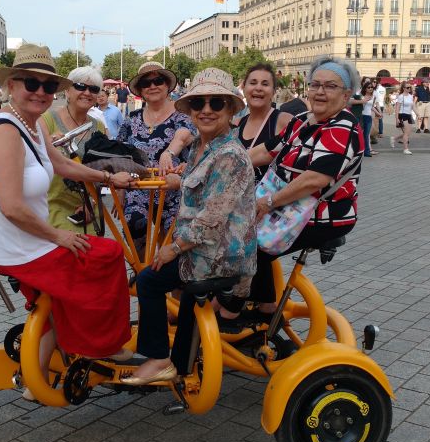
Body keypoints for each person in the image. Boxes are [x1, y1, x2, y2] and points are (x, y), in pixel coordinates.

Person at [0, 44, 134, 396]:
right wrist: (57, 236)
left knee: (71, 282)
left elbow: (61, 165)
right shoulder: (6, 131)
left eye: (48, 86)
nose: (41, 92)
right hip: (14, 246)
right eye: (31, 83)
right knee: (105, 255)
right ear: (11, 86)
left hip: (24, 239)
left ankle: (39, 372)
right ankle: (102, 344)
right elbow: (12, 207)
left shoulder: (30, 126)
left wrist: (108, 178)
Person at [123, 68, 256, 384]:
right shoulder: (202, 145)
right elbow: (203, 190)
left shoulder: (229, 154)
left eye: (216, 103)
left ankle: (158, 359)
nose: (206, 110)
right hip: (206, 252)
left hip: (221, 257)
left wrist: (173, 248)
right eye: (198, 104)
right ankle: (180, 361)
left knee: (148, 280)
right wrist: (182, 178)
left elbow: (210, 220)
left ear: (230, 109)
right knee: (157, 276)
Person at [247, 57, 363, 315]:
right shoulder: (302, 119)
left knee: (245, 241)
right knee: (243, 234)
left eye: (330, 86)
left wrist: (267, 202)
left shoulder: (342, 128)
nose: (320, 92)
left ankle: (242, 311)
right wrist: (226, 163)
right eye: (315, 85)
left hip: (323, 214)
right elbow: (267, 150)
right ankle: (262, 305)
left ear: (346, 95)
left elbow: (315, 179)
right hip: (292, 206)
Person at [115, 62, 195, 242]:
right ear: (140, 90)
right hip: (138, 188)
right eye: (146, 83)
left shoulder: (182, 114)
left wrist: (168, 154)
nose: (152, 86)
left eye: (158, 81)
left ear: (167, 85)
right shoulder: (132, 118)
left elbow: (181, 137)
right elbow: (120, 151)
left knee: (171, 239)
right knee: (133, 227)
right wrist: (119, 187)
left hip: (171, 188)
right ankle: (140, 270)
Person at [41, 66, 108, 233]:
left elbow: (104, 168)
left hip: (88, 206)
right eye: (80, 86)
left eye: (93, 89)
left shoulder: (98, 126)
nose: (87, 92)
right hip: (52, 204)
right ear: (68, 91)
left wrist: (92, 202)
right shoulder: (46, 120)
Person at [236, 63, 294, 180]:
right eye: (253, 83)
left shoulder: (285, 121)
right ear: (244, 88)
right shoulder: (236, 125)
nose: (258, 88)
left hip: (269, 197)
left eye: (265, 84)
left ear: (273, 91)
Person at [391, 83, 415, 154]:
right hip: (402, 115)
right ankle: (405, 149)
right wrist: (397, 118)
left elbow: (413, 106)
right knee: (406, 133)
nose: (409, 89)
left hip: (409, 115)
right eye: (407, 87)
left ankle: (394, 138)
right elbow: (397, 108)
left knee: (408, 133)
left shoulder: (411, 96)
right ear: (404, 88)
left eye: (410, 87)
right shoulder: (401, 96)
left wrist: (418, 113)